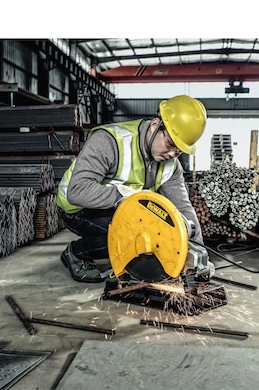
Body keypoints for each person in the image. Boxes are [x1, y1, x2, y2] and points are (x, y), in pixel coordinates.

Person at [56, 94, 208, 283]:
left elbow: (183, 209)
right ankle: (77, 252)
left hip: (115, 207)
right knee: (126, 234)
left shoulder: (171, 165)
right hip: (76, 208)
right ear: (155, 125)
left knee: (155, 228)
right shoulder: (109, 141)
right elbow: (77, 191)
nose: (171, 154)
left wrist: (198, 251)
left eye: (178, 150)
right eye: (170, 144)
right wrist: (123, 194)